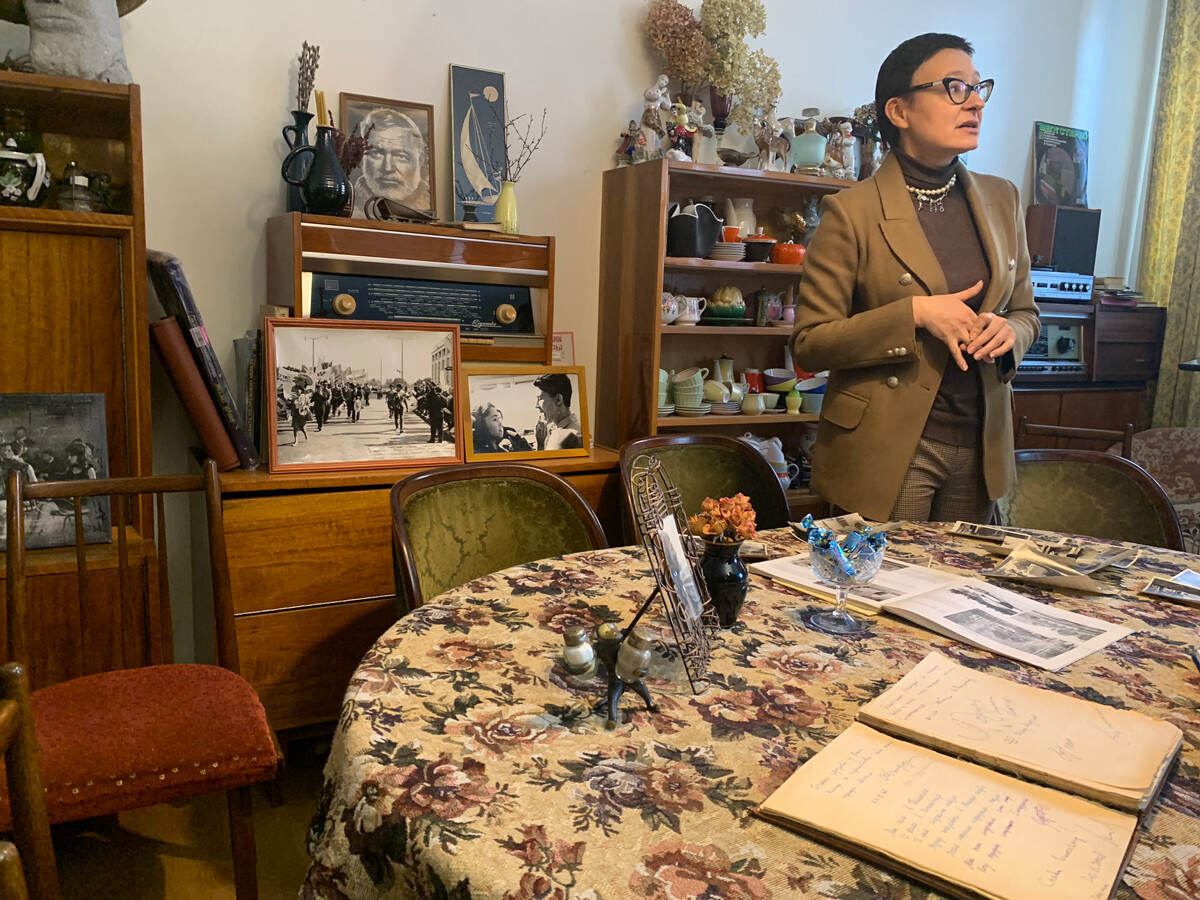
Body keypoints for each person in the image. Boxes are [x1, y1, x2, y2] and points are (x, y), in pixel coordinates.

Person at [791, 33, 1040, 524]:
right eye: (953, 87)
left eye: (978, 88)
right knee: (882, 596)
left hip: (981, 442)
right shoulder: (851, 212)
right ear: (899, 111)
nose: (974, 103)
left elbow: (1027, 312)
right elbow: (810, 343)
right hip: (889, 447)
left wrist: (1011, 332)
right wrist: (914, 315)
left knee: (961, 594)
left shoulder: (1003, 199)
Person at [351, 109, 431, 216]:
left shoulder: (430, 203)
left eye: (400, 155)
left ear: (420, 159)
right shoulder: (353, 207)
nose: (388, 168)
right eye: (377, 153)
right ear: (361, 158)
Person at [533, 373, 583, 451]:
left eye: (540, 399)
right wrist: (541, 444)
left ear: (558, 400)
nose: (536, 405)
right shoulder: (553, 429)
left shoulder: (572, 437)